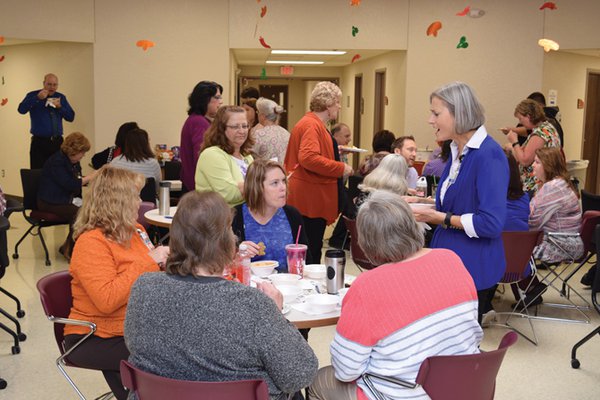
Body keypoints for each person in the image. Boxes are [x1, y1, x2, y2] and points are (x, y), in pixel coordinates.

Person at [125, 191, 317, 400]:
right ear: (227, 242)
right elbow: (301, 374)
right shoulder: (252, 304)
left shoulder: (143, 289)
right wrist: (277, 315)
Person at [308, 191, 482, 400]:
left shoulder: (368, 286)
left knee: (319, 380)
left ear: (366, 242)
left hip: (404, 395)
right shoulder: (451, 259)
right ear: (412, 225)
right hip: (463, 387)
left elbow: (346, 371)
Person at [64, 166, 168, 400]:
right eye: (135, 196)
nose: (140, 202)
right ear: (116, 202)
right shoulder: (91, 243)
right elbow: (107, 300)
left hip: (132, 327)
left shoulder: (136, 231)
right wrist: (150, 261)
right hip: (95, 335)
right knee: (169, 354)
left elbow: (150, 275)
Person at [412, 81, 509, 323]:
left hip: (472, 265)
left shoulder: (489, 155)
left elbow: (490, 223)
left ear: (460, 113)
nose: (430, 120)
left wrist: (439, 217)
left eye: (436, 113)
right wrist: (425, 203)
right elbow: (462, 202)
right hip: (450, 261)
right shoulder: (457, 151)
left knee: (459, 348)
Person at [284, 81, 352, 264]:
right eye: (337, 102)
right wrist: (341, 167)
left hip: (309, 198)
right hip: (309, 200)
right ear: (328, 104)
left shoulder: (312, 123)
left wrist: (334, 153)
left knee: (310, 249)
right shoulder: (312, 125)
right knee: (310, 252)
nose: (339, 106)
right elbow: (308, 157)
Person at [232, 159, 309, 272]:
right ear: (257, 188)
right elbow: (221, 267)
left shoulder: (292, 215)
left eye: (284, 181)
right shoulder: (235, 217)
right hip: (250, 286)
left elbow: (307, 262)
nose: (283, 188)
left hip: (288, 285)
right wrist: (239, 254)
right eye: (275, 183)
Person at [38, 132, 99, 259]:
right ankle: (70, 250)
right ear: (74, 150)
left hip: (64, 199)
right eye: (82, 152)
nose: (83, 155)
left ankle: (67, 246)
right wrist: (89, 177)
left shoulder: (73, 162)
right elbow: (69, 184)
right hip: (50, 201)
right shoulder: (57, 161)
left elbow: (75, 181)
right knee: (78, 214)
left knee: (87, 211)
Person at [530, 147, 584, 264]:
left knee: (509, 246)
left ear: (549, 166)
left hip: (557, 246)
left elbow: (533, 221)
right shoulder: (561, 183)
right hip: (568, 242)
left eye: (537, 162)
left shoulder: (553, 187)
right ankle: (530, 282)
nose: (533, 165)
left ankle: (527, 281)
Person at [196, 105, 254, 206]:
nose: (242, 131)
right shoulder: (211, 155)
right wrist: (257, 187)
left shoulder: (247, 157)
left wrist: (241, 187)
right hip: (218, 218)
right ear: (221, 128)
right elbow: (228, 194)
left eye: (245, 126)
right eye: (235, 127)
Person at [18, 73, 75, 169]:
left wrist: (60, 107)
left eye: (55, 85)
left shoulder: (61, 97)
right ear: (44, 83)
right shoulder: (33, 95)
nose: (52, 87)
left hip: (57, 143)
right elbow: (21, 110)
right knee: (38, 174)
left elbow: (71, 117)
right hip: (39, 142)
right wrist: (37, 98)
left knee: (59, 172)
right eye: (49, 84)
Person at [505, 99, 561, 195]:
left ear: (528, 116)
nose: (520, 122)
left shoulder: (540, 134)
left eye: (520, 119)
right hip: (546, 180)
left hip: (535, 185)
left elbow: (525, 161)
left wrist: (514, 142)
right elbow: (525, 151)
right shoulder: (547, 126)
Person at [180, 81, 223, 192]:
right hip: (199, 188)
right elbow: (202, 157)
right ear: (205, 99)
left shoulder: (196, 119)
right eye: (217, 98)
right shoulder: (199, 122)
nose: (221, 102)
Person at [252, 97, 290, 163]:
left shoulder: (258, 135)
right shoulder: (286, 133)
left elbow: (249, 156)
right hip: (283, 172)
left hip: (265, 172)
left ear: (263, 116)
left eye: (258, 112)